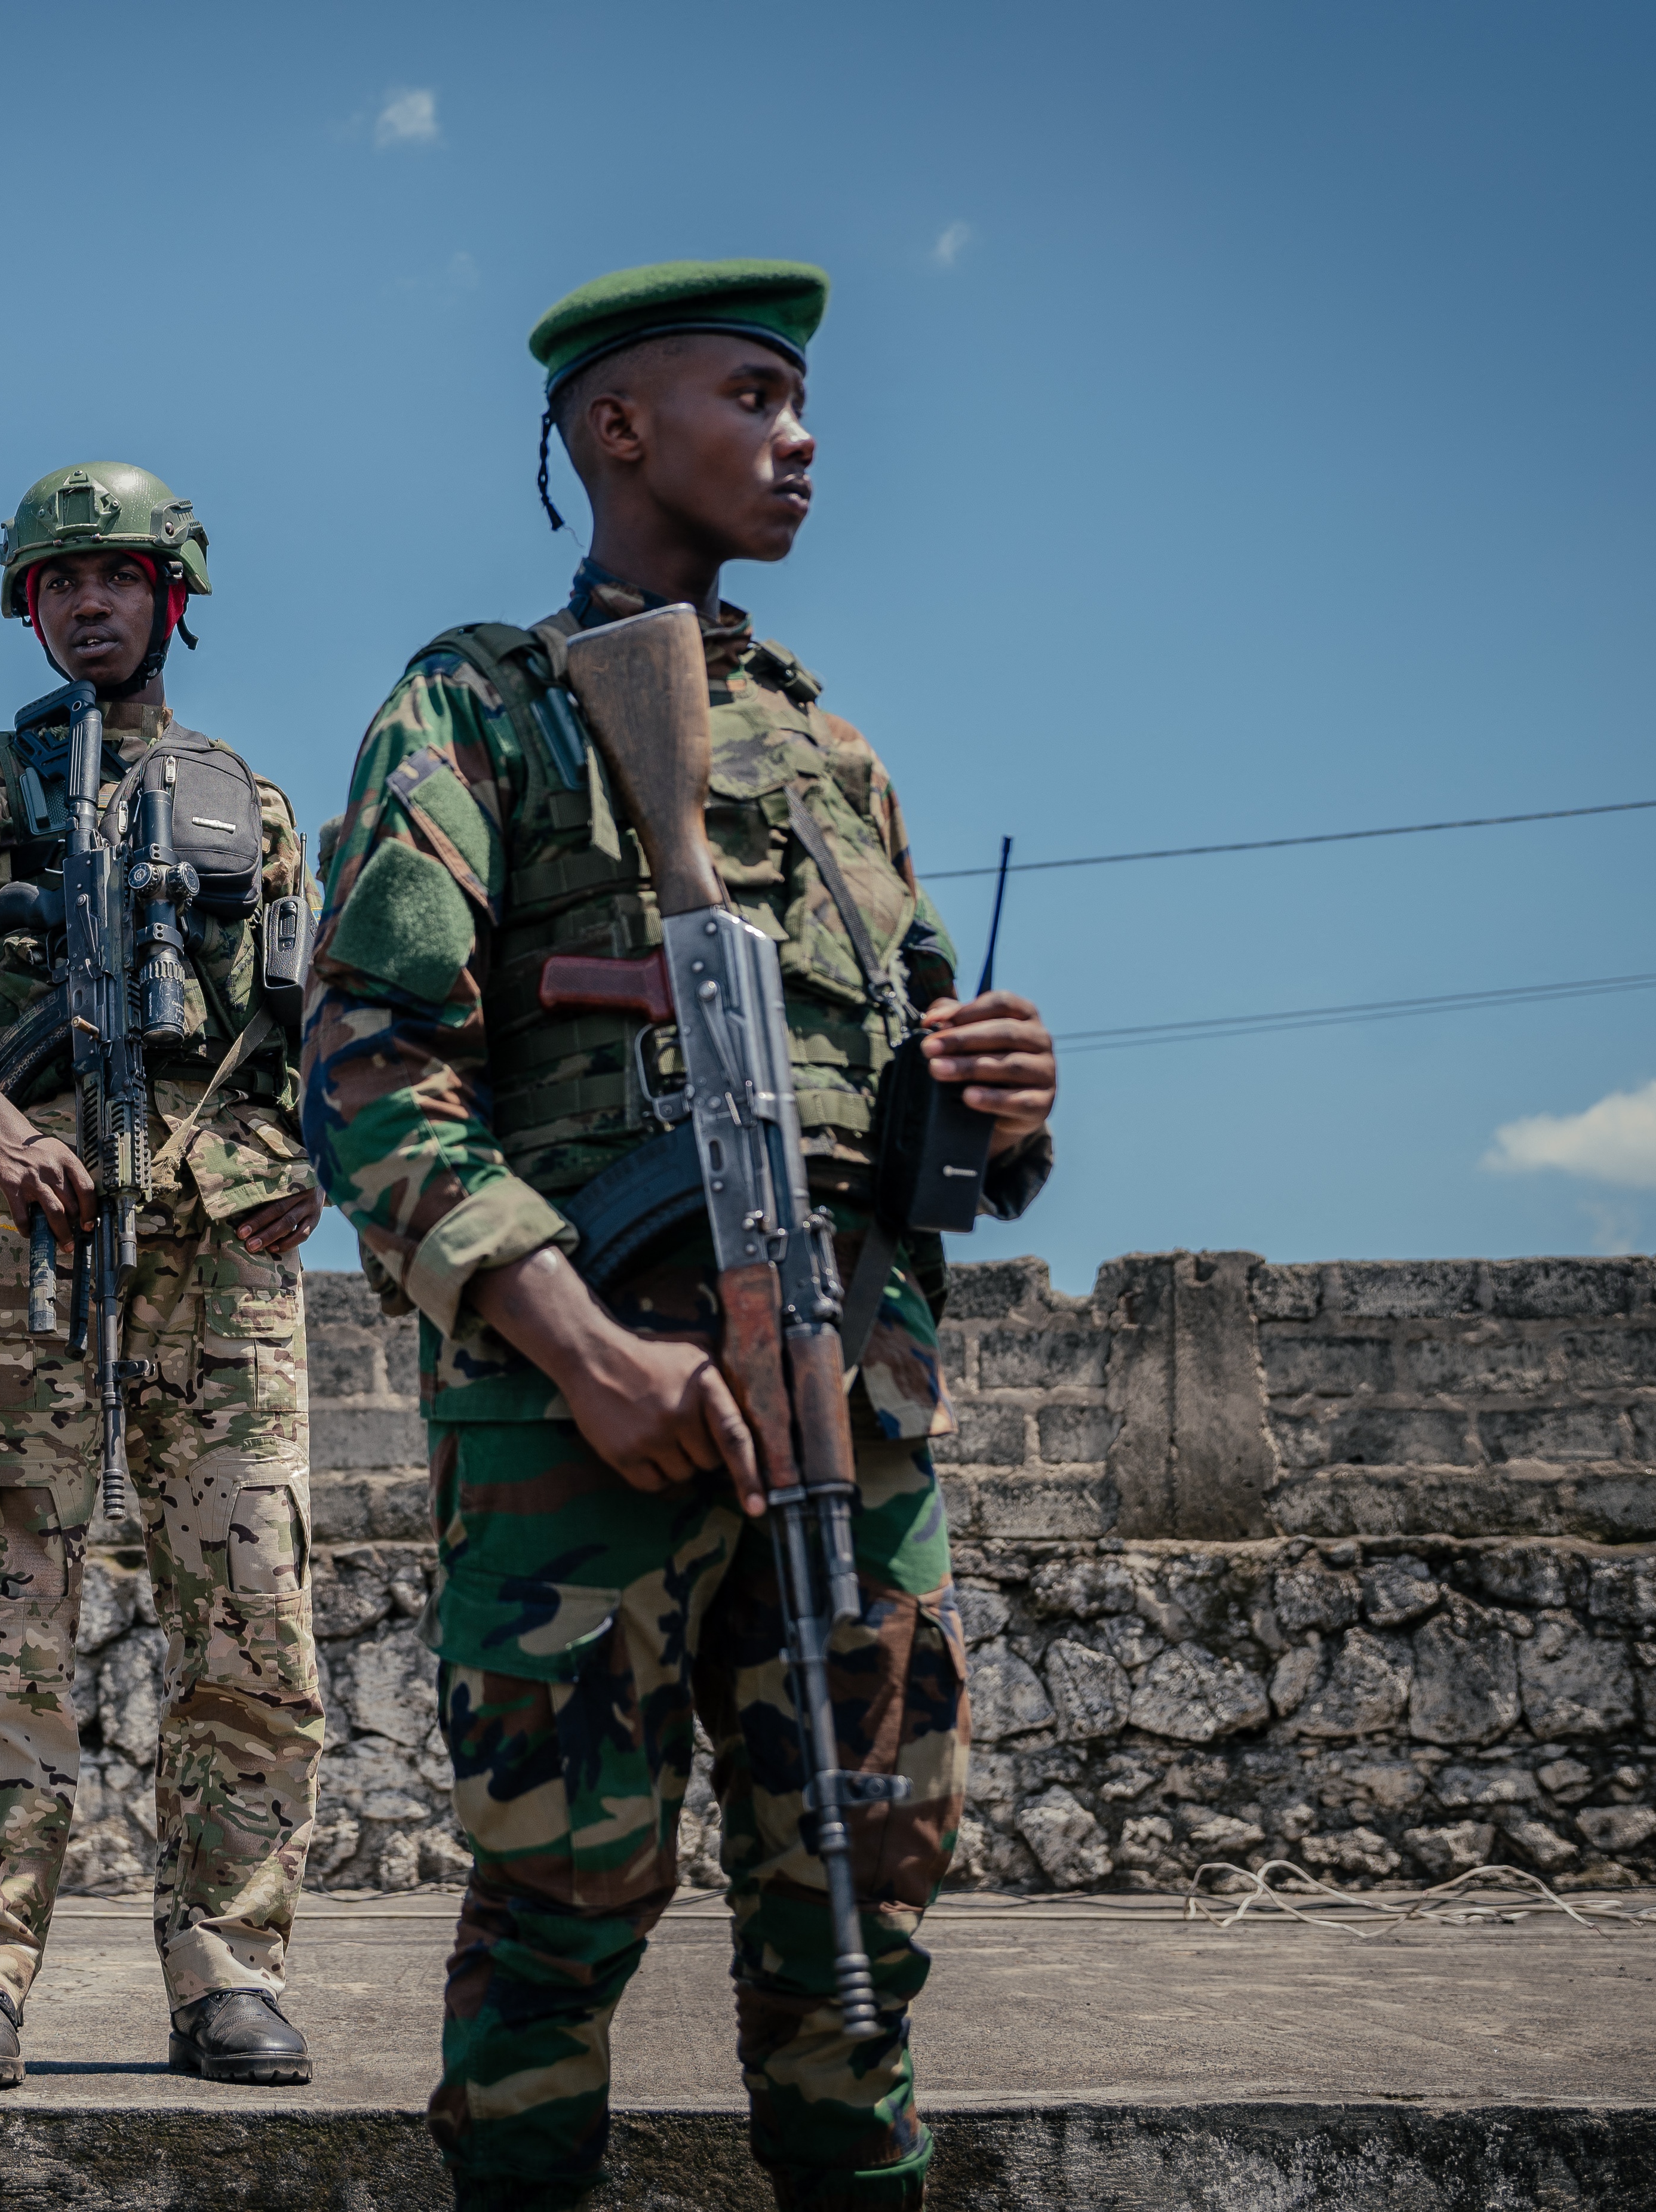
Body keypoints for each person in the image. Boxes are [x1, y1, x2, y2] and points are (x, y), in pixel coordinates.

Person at [302, 264, 1063, 2211]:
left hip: (848, 1400)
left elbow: (898, 1111)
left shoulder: (830, 749)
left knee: (862, 1895)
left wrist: (992, 1106)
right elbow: (375, 1066)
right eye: (755, 393)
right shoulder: (482, 704)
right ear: (615, 429)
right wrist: (583, 1349)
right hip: (590, 1419)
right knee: (564, 1898)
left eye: (802, 399)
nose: (800, 436)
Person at [0, 462, 330, 2093]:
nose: (89, 604)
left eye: (118, 577)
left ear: (172, 594)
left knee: (253, 1628)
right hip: (23, 1259)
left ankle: (230, 1968)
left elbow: (319, 1030)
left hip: (218, 1269)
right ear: (29, 606)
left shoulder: (247, 804)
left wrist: (310, 1166)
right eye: (60, 583)